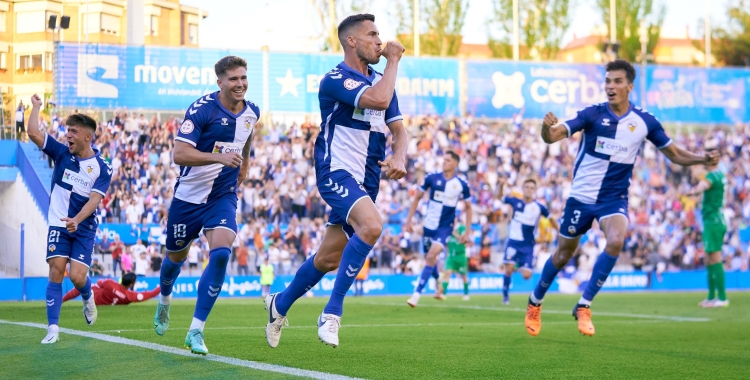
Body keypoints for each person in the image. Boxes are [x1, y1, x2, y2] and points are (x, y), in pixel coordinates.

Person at [524, 59, 720, 337]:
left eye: (617, 81)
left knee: (616, 240)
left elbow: (674, 154)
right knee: (563, 254)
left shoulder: (644, 121)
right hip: (581, 197)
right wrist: (546, 127)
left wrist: (702, 158)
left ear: (629, 86)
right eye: (607, 81)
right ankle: (535, 302)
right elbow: (553, 136)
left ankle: (584, 305)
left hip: (613, 198)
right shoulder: (592, 114)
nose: (610, 87)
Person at [264, 13, 407, 349]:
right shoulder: (335, 79)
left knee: (327, 259)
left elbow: (399, 129)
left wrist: (401, 155)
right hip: (336, 172)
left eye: (379, 35)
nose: (379, 42)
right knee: (372, 227)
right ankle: (331, 313)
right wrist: (395, 60)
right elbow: (378, 100)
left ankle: (279, 305)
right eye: (372, 35)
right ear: (351, 41)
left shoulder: (381, 79)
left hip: (367, 181)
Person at [152, 55, 260, 356]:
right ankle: (164, 299)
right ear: (220, 82)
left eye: (243, 78)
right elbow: (180, 154)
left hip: (222, 195)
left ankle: (196, 330)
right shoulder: (201, 110)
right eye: (233, 79)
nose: (240, 84)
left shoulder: (253, 111)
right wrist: (219, 157)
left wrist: (245, 163)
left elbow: (247, 137)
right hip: (188, 198)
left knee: (223, 253)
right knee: (175, 258)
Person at [26, 94, 112, 344]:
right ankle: (52, 329)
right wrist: (36, 107)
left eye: (73, 131)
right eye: (67, 130)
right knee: (56, 269)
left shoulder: (102, 167)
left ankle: (87, 296)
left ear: (88, 136)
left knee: (76, 276)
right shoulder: (62, 153)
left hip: (84, 228)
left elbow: (95, 200)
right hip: (58, 223)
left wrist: (77, 218)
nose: (68, 135)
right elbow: (33, 132)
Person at [405, 151, 472, 308]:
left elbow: (469, 208)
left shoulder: (461, 184)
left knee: (431, 255)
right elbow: (417, 198)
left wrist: (467, 231)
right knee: (430, 259)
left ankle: (416, 295)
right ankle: (437, 280)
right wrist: (408, 220)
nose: (444, 162)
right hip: (428, 226)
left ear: (455, 164)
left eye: (448, 160)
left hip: (445, 228)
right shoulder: (432, 178)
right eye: (444, 159)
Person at [498, 178, 557, 305]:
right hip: (513, 242)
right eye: (527, 187)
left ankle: (517, 264)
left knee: (526, 276)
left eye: (531, 188)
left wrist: (561, 233)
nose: (529, 190)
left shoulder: (539, 207)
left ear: (534, 191)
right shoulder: (515, 201)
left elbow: (551, 219)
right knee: (508, 270)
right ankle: (505, 296)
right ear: (523, 189)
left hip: (528, 245)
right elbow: (499, 198)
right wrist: (501, 186)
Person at [683, 147, 729, 308]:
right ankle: (711, 297)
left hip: (714, 220)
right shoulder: (720, 175)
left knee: (714, 257)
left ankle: (722, 297)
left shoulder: (712, 176)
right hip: (714, 220)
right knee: (709, 258)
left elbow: (703, 186)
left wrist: (692, 192)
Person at [63, 272, 160, 306]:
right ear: (131, 284)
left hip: (93, 299)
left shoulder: (110, 283)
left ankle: (61, 301)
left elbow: (99, 282)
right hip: (102, 304)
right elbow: (150, 294)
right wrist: (164, 285)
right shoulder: (130, 296)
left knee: (83, 284)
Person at [438, 223, 471, 301]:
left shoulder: (462, 228)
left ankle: (466, 294)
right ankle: (443, 293)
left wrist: (454, 233)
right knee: (447, 273)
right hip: (451, 256)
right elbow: (447, 245)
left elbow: (464, 240)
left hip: (461, 255)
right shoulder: (447, 230)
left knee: (464, 276)